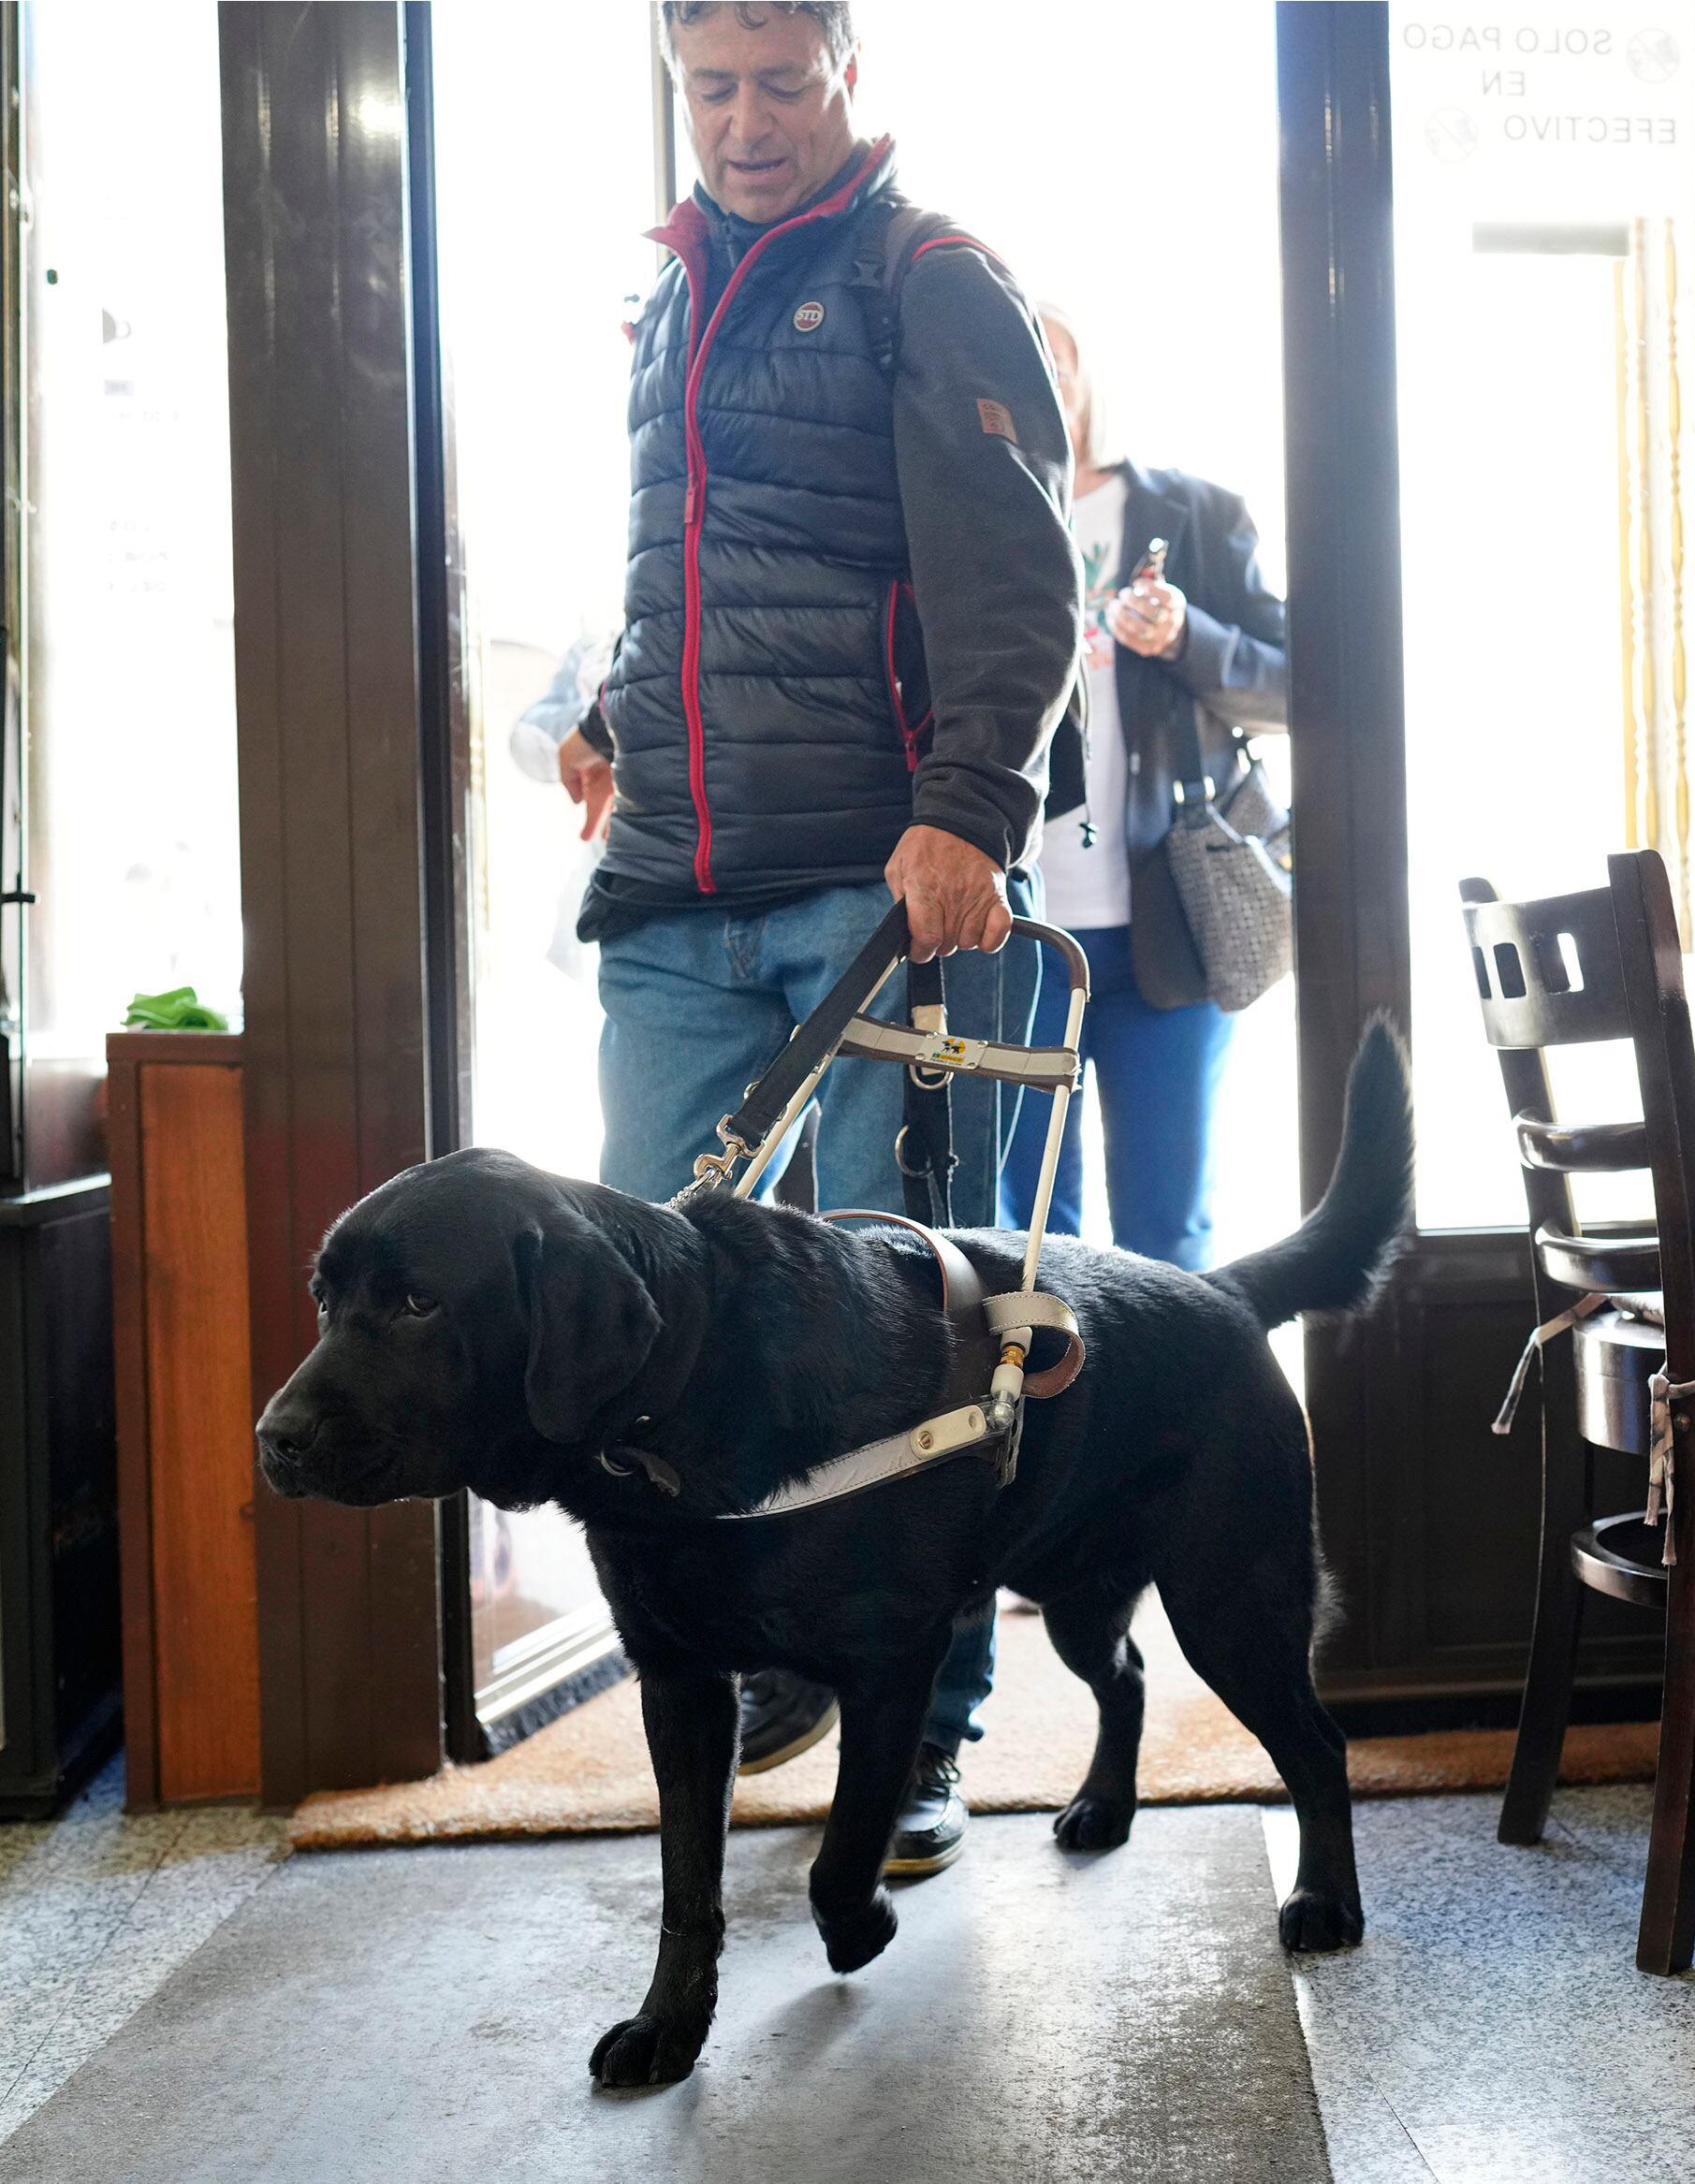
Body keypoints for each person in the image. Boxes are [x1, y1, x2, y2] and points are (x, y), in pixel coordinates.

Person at [560, 0, 1080, 1873]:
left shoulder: (926, 279)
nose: (749, 120)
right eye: (714, 87)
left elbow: (1023, 578)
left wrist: (970, 810)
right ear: (677, 86)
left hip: (872, 891)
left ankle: (915, 1737)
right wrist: (622, 722)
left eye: (784, 81)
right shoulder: (671, 296)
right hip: (676, 893)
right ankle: (755, 1644)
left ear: (850, 71)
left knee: (905, 1341)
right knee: (646, 1308)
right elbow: (691, 568)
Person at [996, 308, 1288, 1269]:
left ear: (1086, 375)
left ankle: (1174, 1421)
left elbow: (1301, 686)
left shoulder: (1194, 514)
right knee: (1025, 1237)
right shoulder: (973, 521)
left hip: (1166, 931)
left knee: (1169, 1235)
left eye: (1054, 353)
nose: (1037, 373)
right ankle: (1046, 1423)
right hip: (1010, 935)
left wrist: (1186, 637)